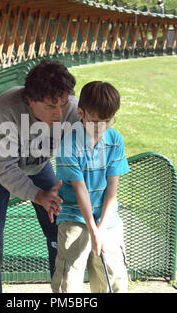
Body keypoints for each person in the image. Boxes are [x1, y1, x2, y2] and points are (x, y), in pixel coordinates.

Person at [0, 60, 81, 293]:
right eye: (51, 106)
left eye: (63, 103)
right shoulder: (5, 108)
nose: (59, 113)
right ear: (31, 100)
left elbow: (92, 146)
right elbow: (3, 166)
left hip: (37, 163)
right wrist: (37, 195)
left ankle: (62, 292)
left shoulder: (71, 109)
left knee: (59, 226)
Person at [51, 81, 129, 293]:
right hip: (74, 214)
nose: (101, 129)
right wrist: (93, 232)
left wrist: (101, 228)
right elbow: (80, 190)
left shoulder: (115, 140)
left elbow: (112, 190)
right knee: (69, 277)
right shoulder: (69, 143)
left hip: (106, 216)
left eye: (107, 121)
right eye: (95, 122)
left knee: (113, 276)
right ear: (81, 113)